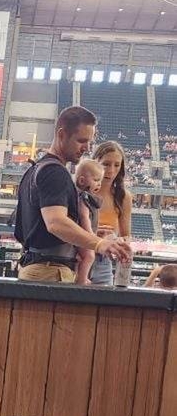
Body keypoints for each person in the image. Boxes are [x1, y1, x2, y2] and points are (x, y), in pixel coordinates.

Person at [15, 106, 129, 283]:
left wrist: (90, 234)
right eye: (81, 140)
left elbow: (42, 228)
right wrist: (99, 244)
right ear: (61, 134)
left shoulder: (38, 168)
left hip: (39, 267)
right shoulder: (55, 172)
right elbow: (56, 223)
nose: (87, 148)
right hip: (50, 271)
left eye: (89, 142)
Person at [89, 140, 133, 287]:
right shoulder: (81, 192)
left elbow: (126, 236)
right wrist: (94, 234)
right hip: (77, 258)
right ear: (96, 163)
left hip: (103, 262)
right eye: (106, 164)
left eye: (117, 165)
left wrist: (118, 241)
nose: (111, 170)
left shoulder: (124, 197)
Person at [72, 156, 104, 286]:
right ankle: (82, 279)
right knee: (89, 256)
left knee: (82, 258)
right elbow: (84, 218)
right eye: (96, 180)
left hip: (81, 235)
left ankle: (79, 276)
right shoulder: (83, 198)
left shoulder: (86, 197)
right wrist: (91, 237)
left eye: (100, 181)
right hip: (83, 235)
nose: (99, 184)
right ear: (82, 180)